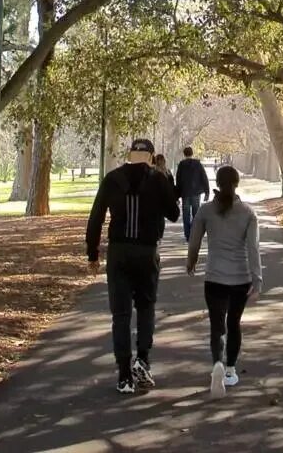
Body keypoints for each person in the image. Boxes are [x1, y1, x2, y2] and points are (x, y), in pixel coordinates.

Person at [86, 137, 180, 394]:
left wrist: (92, 253)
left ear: (129, 155)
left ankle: (124, 374)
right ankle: (143, 359)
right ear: (150, 156)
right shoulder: (158, 179)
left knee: (121, 314)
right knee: (146, 307)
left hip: (119, 252)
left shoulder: (112, 179)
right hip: (147, 251)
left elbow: (95, 218)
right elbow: (174, 213)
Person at [186, 164, 262, 396]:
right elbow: (253, 248)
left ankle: (217, 363)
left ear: (217, 184)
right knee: (234, 324)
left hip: (215, 277)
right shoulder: (248, 213)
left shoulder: (206, 211)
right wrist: (257, 279)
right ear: (236, 183)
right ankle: (230, 370)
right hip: (240, 279)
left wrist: (191, 262)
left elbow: (194, 240)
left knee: (217, 325)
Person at [175, 146, 210, 241]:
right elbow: (204, 177)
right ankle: (195, 234)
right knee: (196, 215)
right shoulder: (198, 164)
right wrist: (207, 192)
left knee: (186, 215)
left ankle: (188, 235)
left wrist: (176, 196)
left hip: (185, 193)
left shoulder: (181, 165)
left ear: (184, 154)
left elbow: (178, 181)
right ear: (192, 153)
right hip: (196, 193)